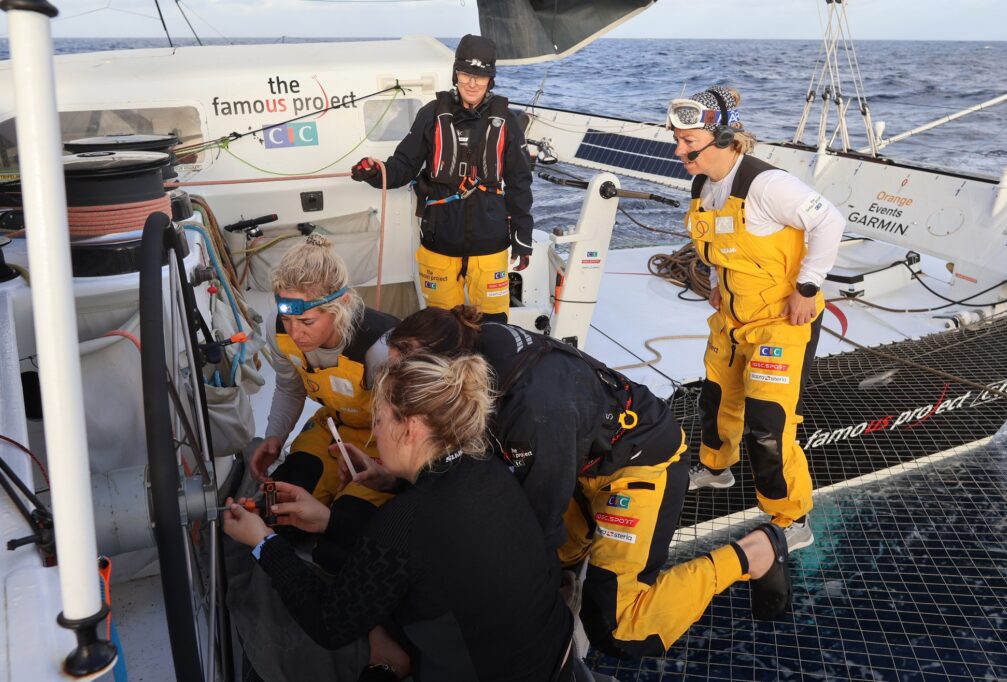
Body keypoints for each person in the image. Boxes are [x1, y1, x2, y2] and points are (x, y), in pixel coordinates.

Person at [383, 306, 794, 660]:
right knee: (555, 558)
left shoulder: (534, 410)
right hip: (580, 458)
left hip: (637, 468)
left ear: (445, 371)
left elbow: (535, 523)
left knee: (618, 629)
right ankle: (582, 566)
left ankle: (753, 552)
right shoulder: (473, 341)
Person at [224, 353, 582, 681]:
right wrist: (330, 520)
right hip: (553, 656)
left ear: (410, 428)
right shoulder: (487, 467)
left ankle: (388, 663)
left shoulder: (403, 519)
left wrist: (262, 542)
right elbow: (428, 549)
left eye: (378, 420)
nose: (374, 433)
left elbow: (328, 624)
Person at [667, 86, 845, 551]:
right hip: (732, 317)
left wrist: (807, 288)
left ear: (724, 139)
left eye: (688, 142)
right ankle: (715, 468)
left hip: (781, 323)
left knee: (767, 424)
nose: (678, 150)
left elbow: (830, 222)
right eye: (677, 139)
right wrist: (715, 283)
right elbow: (717, 243)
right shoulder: (702, 185)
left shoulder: (768, 186)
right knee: (716, 399)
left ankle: (792, 519)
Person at [349, 34, 534, 323]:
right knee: (443, 328)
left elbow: (520, 183)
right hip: (439, 243)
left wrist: (523, 238)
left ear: (491, 79)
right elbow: (402, 167)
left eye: (481, 75)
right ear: (456, 74)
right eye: (466, 73)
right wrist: (374, 173)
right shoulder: (431, 115)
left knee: (495, 326)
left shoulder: (507, 122)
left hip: (491, 245)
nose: (472, 82)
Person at [248, 234, 397, 510]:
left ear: (341, 305)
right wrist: (275, 436)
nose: (294, 332)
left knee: (349, 519)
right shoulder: (276, 330)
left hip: (384, 440)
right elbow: (289, 387)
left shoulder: (380, 347)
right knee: (278, 506)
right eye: (287, 319)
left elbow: (411, 424)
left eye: (307, 321)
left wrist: (391, 474)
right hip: (332, 429)